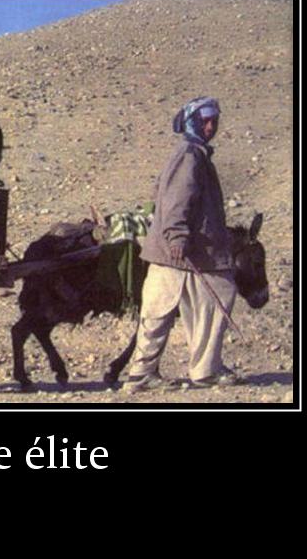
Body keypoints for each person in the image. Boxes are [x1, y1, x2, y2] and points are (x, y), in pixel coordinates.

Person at [122, 96, 241, 392]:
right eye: (205, 121)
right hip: (180, 251)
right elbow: (177, 197)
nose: (211, 126)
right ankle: (198, 371)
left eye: (214, 120)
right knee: (206, 297)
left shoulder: (194, 154)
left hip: (186, 251)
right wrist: (177, 235)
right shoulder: (190, 155)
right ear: (192, 122)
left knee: (166, 309)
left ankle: (159, 373)